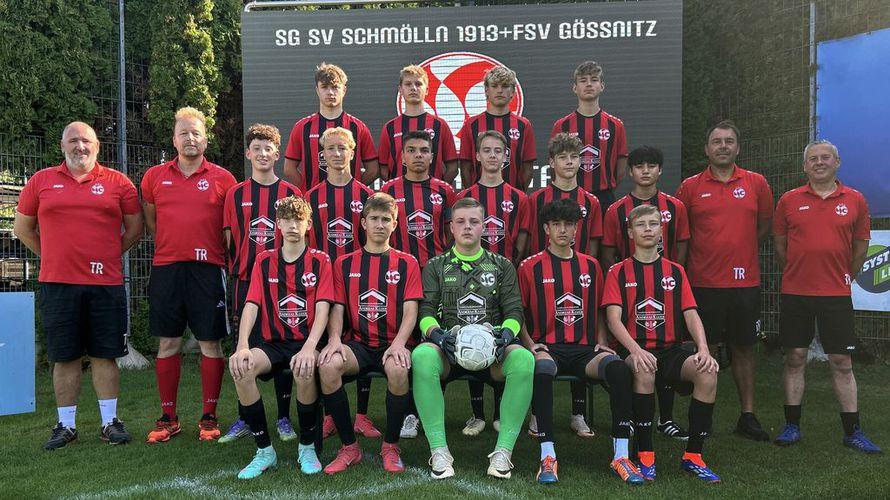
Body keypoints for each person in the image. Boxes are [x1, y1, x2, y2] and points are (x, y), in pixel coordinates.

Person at [15, 121, 143, 449]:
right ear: (62, 146)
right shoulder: (41, 181)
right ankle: (66, 426)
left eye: (86, 141)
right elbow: (22, 229)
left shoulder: (119, 183)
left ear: (97, 146)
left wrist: (108, 255)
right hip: (58, 284)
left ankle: (110, 422)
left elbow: (135, 229)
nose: (80, 146)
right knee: (65, 356)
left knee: (105, 355)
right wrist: (53, 256)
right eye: (72, 141)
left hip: (106, 284)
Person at [518, 199, 640, 485]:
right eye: (556, 224)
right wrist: (529, 343)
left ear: (576, 229)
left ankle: (621, 455)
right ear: (546, 229)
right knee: (542, 370)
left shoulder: (592, 266)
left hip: (585, 351)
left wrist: (602, 340)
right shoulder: (530, 266)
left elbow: (600, 309)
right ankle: (548, 455)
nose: (563, 230)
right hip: (549, 349)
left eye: (569, 224)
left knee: (618, 369)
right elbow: (517, 312)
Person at [412, 197, 534, 480]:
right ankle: (439, 450)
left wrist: (506, 334)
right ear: (451, 228)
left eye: (474, 221)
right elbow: (426, 311)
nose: (467, 226)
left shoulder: (502, 265)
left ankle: (503, 452)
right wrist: (438, 336)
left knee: (524, 360)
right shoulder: (435, 265)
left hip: (493, 353)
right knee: (422, 356)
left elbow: (514, 311)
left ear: (484, 227)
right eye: (461, 222)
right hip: (449, 351)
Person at [772, 140, 880, 453]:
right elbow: (780, 245)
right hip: (795, 292)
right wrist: (798, 272)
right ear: (804, 166)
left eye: (825, 157)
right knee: (795, 357)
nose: (819, 162)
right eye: (813, 159)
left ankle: (852, 431)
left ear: (837, 162)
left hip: (835, 294)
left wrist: (843, 276)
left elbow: (860, 247)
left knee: (842, 361)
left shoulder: (856, 200)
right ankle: (791, 426)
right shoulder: (789, 200)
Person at [602, 204, 721, 483]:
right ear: (630, 232)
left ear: (661, 230)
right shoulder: (618, 272)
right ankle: (645, 455)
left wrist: (703, 349)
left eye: (653, 224)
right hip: (634, 349)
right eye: (641, 224)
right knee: (644, 369)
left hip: (671, 350)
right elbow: (613, 320)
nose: (647, 229)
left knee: (707, 372)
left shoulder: (676, 271)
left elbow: (691, 314)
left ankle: (693, 456)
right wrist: (635, 350)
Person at [140, 107, 237, 443]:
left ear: (206, 140)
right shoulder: (154, 177)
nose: (190, 138)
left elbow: (229, 230)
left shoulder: (224, 179)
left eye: (196, 133)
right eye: (184, 133)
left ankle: (209, 417)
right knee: (168, 342)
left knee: (210, 342)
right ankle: (168, 418)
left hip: (208, 270)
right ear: (174, 140)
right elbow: (152, 221)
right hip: (167, 269)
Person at [675, 120, 774, 441]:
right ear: (706, 149)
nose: (723, 146)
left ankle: (747, 416)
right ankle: (704, 418)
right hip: (703, 283)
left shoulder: (757, 183)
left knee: (744, 348)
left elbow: (763, 227)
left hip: (745, 284)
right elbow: (682, 233)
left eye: (729, 141)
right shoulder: (690, 187)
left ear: (738, 148)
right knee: (707, 350)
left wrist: (739, 252)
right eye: (716, 141)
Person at [317, 193, 424, 474]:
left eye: (386, 219)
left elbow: (411, 311)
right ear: (363, 223)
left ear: (395, 225)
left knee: (398, 369)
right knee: (328, 366)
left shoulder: (407, 263)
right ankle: (349, 447)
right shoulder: (344, 263)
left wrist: (399, 344)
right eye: (374, 219)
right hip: (359, 344)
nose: (379, 224)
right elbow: (337, 308)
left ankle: (391, 445)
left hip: (393, 342)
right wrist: (334, 339)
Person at [228, 196, 332, 479]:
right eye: (286, 220)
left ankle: (307, 447)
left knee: (304, 369)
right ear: (278, 224)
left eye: (299, 220)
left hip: (307, 342)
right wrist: (242, 345)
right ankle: (264, 451)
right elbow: (252, 304)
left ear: (308, 225)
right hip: (273, 343)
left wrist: (310, 347)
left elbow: (323, 308)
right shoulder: (264, 260)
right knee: (241, 368)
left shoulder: (320, 260)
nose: (292, 226)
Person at [219, 124, 303, 444]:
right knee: (244, 349)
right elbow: (230, 239)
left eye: (268, 149)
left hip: (283, 284)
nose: (263, 154)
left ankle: (283, 418)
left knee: (282, 346)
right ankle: (245, 417)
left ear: (277, 154)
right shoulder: (236, 194)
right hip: (246, 283)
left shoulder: (291, 193)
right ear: (248, 153)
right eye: (257, 148)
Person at [601, 145, 691, 440]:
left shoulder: (675, 207)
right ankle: (635, 419)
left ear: (660, 170)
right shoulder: (616, 210)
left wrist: (671, 279)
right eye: (639, 166)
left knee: (667, 347)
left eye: (652, 165)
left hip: (666, 289)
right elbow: (608, 250)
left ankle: (666, 419)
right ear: (630, 171)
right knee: (638, 353)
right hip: (629, 289)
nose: (646, 171)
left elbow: (682, 245)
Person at [522, 133, 603, 435]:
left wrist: (584, 273)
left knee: (579, 335)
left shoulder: (591, 201)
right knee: (544, 343)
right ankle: (537, 413)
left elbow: (594, 243)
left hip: (580, 278)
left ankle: (578, 413)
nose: (569, 162)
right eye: (563, 157)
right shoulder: (536, 199)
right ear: (552, 162)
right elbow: (527, 239)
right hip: (543, 279)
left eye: (574, 156)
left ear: (581, 161)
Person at [305, 127, 380, 440]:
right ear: (322, 155)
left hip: (359, 282)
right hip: (325, 284)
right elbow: (309, 245)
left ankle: (361, 415)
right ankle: (330, 416)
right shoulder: (311, 197)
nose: (337, 154)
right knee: (326, 346)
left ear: (352, 152)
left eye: (342, 148)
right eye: (330, 149)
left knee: (361, 342)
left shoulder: (366, 195)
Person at [456, 130, 528, 436]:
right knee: (471, 335)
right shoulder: (466, 196)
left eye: (498, 150)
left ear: (506, 156)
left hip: (502, 275)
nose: (492, 155)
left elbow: (521, 240)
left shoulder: (518, 197)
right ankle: (477, 414)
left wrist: (506, 267)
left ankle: (499, 412)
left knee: (499, 337)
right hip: (468, 275)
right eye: (486, 150)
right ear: (477, 156)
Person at [283, 63, 378, 192]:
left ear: (344, 90)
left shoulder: (358, 127)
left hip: (351, 199)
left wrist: (354, 189)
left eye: (335, 87)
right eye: (324, 87)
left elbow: (373, 169)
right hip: (313, 202)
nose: (330, 92)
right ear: (317, 90)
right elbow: (289, 169)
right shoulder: (302, 127)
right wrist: (310, 192)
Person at [551, 61, 628, 212]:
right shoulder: (562, 125)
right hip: (569, 195)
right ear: (575, 88)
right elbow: (554, 166)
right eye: (583, 80)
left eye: (594, 80)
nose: (588, 84)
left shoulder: (615, 125)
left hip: (604, 197)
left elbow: (620, 167)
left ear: (602, 86)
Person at [380, 130, 456, 266]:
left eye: (424, 150)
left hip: (436, 266)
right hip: (398, 265)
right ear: (403, 157)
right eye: (411, 150)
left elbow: (451, 230)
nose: (418, 155)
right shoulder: (388, 190)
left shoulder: (445, 190)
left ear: (431, 157)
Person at [458, 66, 536, 190]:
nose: (500, 90)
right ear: (486, 91)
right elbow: (465, 167)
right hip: (478, 199)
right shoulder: (471, 125)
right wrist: (473, 195)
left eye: (505, 86)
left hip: (512, 198)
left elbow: (528, 168)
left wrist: (517, 195)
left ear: (513, 92)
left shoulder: (523, 125)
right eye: (494, 86)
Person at [378, 65, 459, 183]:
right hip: (398, 194)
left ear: (427, 90)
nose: (413, 88)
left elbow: (452, 167)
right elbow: (383, 168)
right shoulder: (390, 127)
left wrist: (439, 188)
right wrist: (396, 187)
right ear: (400, 89)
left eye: (418, 84)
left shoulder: (439, 125)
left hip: (433, 193)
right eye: (408, 84)